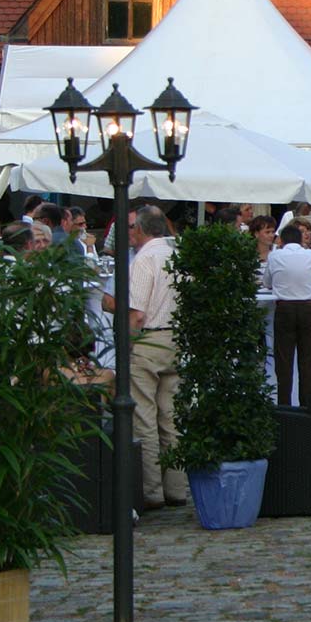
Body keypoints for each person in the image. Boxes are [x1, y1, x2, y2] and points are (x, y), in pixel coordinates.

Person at [126, 206, 186, 509]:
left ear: (140, 229)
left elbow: (137, 314)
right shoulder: (177, 255)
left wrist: (128, 344)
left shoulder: (144, 258)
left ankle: (151, 491)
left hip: (149, 339)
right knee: (171, 416)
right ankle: (176, 487)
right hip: (176, 337)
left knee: (144, 418)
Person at [263, 223, 311, 406]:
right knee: (308, 360)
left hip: (285, 308)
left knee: (284, 360)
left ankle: (284, 405)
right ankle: (307, 406)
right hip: (307, 308)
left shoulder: (274, 256)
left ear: (281, 240)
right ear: (300, 239)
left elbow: (267, 282)